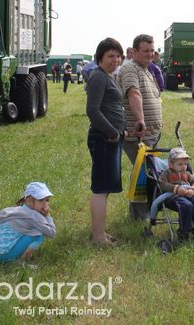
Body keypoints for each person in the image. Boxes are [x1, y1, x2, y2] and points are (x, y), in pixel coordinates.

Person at [86, 38, 126, 246]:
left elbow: (112, 108)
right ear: (100, 57)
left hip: (111, 138)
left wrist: (121, 130)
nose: (115, 60)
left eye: (118, 56)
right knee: (100, 189)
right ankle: (98, 237)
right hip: (103, 138)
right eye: (111, 56)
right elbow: (92, 110)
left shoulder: (108, 77)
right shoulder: (98, 77)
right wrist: (112, 132)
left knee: (106, 188)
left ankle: (100, 231)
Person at [119, 34, 163, 219]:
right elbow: (133, 94)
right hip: (138, 134)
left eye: (152, 50)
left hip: (150, 133)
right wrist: (141, 120)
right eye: (145, 51)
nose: (150, 54)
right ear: (134, 51)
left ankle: (143, 213)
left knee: (146, 172)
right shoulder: (130, 68)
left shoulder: (146, 69)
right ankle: (139, 216)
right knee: (142, 174)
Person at [0, 182, 56, 263]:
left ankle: (13, 256)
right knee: (39, 234)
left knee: (34, 230)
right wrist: (47, 215)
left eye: (47, 200)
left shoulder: (19, 210)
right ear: (28, 201)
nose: (45, 204)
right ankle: (20, 262)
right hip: (4, 255)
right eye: (41, 200)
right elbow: (51, 233)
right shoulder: (32, 216)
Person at [158, 147, 194, 243]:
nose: (184, 166)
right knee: (187, 205)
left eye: (185, 164)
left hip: (188, 194)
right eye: (180, 164)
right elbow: (162, 184)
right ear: (170, 164)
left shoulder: (187, 174)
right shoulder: (166, 174)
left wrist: (193, 189)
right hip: (173, 197)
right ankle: (183, 232)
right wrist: (177, 189)